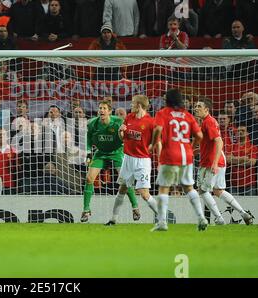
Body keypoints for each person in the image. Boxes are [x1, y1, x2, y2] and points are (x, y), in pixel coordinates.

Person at [150, 88, 208, 231]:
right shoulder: (187, 115)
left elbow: (157, 129)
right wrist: (190, 146)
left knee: (164, 188)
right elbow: (199, 136)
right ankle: (201, 217)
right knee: (189, 187)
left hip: (169, 154)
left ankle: (162, 223)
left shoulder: (163, 113)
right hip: (186, 155)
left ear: (168, 100)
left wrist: (153, 143)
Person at [194, 98, 254, 225]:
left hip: (211, 162)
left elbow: (219, 141)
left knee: (203, 190)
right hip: (216, 160)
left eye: (199, 106)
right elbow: (209, 144)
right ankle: (244, 213)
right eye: (195, 106)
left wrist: (214, 163)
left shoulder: (208, 122)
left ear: (207, 109)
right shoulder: (207, 122)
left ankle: (219, 219)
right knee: (218, 191)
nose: (196, 108)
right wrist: (196, 151)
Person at [81, 100, 140, 223]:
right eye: (100, 108)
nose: (101, 110)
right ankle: (86, 210)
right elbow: (88, 138)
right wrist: (88, 152)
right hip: (101, 153)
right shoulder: (92, 123)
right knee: (89, 178)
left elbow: (126, 136)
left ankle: (135, 207)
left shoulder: (118, 122)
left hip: (117, 152)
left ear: (109, 111)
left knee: (125, 180)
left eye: (104, 108)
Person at [106, 95, 159, 225]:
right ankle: (113, 219)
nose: (130, 106)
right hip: (128, 159)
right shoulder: (129, 117)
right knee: (122, 189)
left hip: (142, 161)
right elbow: (121, 137)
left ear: (139, 105)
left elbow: (158, 142)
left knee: (144, 194)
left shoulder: (151, 122)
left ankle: (162, 217)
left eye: (133, 103)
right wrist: (120, 131)